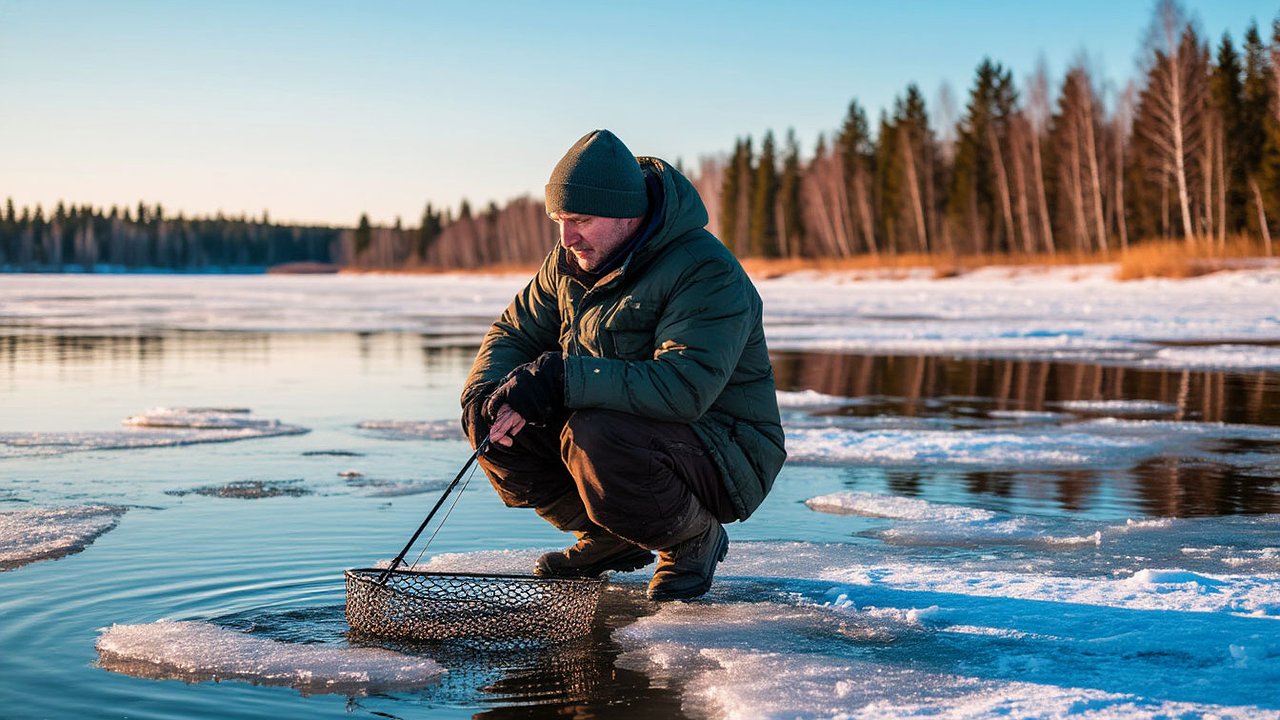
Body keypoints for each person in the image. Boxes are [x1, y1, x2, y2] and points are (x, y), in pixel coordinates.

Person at [460, 129, 785, 601]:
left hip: (722, 447)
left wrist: (563, 378)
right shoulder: (569, 262)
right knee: (500, 420)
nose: (567, 237)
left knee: (595, 431)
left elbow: (683, 386)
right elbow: (514, 332)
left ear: (628, 214)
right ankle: (610, 537)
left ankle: (690, 536)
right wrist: (486, 391)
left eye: (581, 220)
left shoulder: (705, 270)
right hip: (631, 431)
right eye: (559, 220)